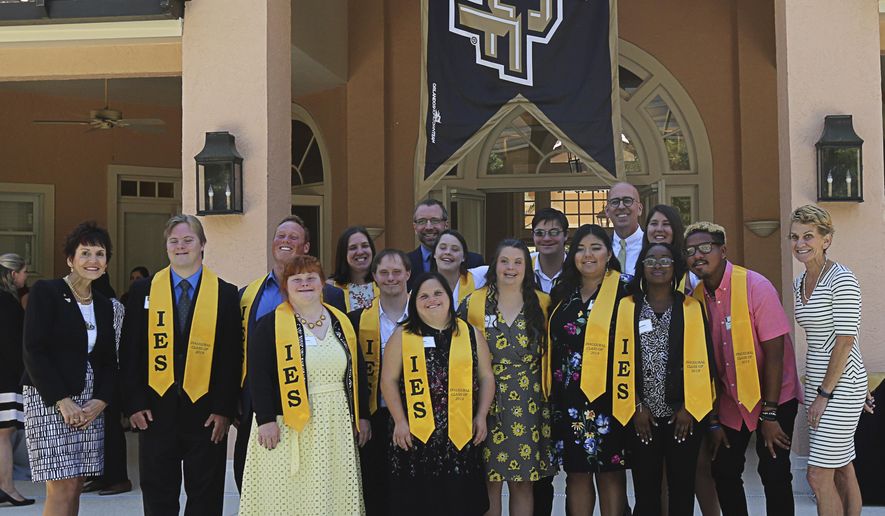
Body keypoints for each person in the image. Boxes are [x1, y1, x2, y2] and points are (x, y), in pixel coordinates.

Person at [120, 214, 241, 516]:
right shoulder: (143, 291)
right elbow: (130, 351)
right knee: (158, 494)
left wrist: (224, 409)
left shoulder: (224, 293)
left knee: (205, 495)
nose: (181, 246)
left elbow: (231, 357)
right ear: (166, 247)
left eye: (188, 240)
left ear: (202, 244)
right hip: (155, 411)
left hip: (206, 413)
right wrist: (133, 403)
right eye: (174, 241)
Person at [684, 221, 803, 516]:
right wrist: (712, 420)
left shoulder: (755, 286)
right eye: (690, 251)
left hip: (774, 395)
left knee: (774, 471)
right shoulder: (695, 298)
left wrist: (770, 413)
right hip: (730, 400)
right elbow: (703, 364)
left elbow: (776, 352)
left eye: (705, 248)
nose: (698, 255)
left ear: (723, 250)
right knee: (723, 470)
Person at [239, 254, 368, 514]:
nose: (305, 283)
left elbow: (358, 370)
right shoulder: (270, 325)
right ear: (286, 286)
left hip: (335, 422)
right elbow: (259, 375)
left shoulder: (341, 322)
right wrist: (265, 420)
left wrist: (362, 416)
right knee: (285, 495)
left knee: (329, 493)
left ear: (322, 284)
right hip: (285, 424)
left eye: (311, 278)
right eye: (297, 279)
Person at [233, 215, 345, 491]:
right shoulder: (247, 294)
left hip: (315, 401)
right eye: (280, 236)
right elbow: (236, 349)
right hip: (260, 399)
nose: (285, 241)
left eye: (293, 237)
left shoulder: (331, 296)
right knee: (253, 474)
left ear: (306, 247)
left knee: (310, 477)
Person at [21, 222, 118, 514]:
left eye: (99, 254)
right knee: (60, 484)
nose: (93, 260)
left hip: (90, 404)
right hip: (49, 397)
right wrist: (62, 401)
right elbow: (33, 351)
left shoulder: (105, 305)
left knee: (76, 483)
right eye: (85, 252)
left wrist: (101, 401)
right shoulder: (47, 292)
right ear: (70, 259)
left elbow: (109, 361)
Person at [380, 272, 495, 515]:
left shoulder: (469, 333)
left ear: (449, 297)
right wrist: (400, 421)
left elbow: (486, 377)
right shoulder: (403, 334)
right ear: (413, 300)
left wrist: (482, 415)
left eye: (437, 293)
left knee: (461, 504)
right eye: (424, 295)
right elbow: (388, 380)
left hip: (460, 435)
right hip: (415, 436)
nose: (432, 299)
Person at [789, 204, 874, 516]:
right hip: (821, 384)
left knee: (817, 474)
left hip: (837, 389)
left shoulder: (841, 279)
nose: (800, 243)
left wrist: (829, 393)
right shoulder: (800, 282)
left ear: (826, 239)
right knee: (841, 467)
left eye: (808, 236)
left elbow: (845, 340)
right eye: (795, 236)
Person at [460, 239, 555, 516]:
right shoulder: (474, 302)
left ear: (527, 267)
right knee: (489, 479)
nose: (510, 268)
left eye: (518, 262)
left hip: (529, 402)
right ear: (494, 265)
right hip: (484, 401)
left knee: (522, 482)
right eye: (504, 261)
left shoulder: (543, 303)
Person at [622, 242, 715, 515]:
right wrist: (636, 405)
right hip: (641, 417)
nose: (658, 265)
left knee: (682, 488)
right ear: (642, 267)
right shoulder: (628, 307)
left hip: (683, 417)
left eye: (665, 260)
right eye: (651, 260)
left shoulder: (691, 307)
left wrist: (690, 407)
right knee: (646, 488)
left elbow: (705, 361)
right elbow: (620, 362)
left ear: (676, 266)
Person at [548, 224, 629, 516]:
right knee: (577, 473)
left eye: (596, 247)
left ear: (609, 253)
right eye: (580, 248)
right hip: (569, 398)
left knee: (610, 472)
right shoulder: (563, 291)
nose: (588, 254)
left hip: (612, 396)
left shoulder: (627, 289)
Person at [644, 204, 719, 516]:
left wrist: (693, 403)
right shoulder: (633, 301)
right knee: (654, 478)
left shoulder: (690, 290)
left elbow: (702, 356)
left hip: (687, 402)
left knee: (692, 472)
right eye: (653, 223)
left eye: (666, 223)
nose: (659, 228)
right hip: (647, 405)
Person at [347, 248, 411, 516]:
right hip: (373, 416)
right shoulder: (357, 321)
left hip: (416, 415)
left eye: (397, 272)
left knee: (410, 490)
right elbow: (351, 375)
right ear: (374, 276)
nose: (391, 278)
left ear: (408, 274)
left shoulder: (425, 317)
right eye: (384, 272)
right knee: (375, 487)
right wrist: (360, 415)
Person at [82, 280, 132, 496]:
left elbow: (119, 340)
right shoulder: (85, 303)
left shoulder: (113, 305)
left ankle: (118, 478)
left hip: (112, 373)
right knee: (96, 428)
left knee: (111, 427)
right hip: (93, 373)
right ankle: (99, 476)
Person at [0, 253, 33, 507]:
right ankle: (7, 488)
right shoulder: (8, 304)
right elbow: (14, 345)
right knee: (4, 435)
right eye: (23, 272)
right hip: (6, 379)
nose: (25, 277)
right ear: (12, 274)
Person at [407, 199, 484, 290]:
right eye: (422, 221)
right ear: (415, 227)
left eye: (435, 220)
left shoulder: (474, 262)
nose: (429, 227)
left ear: (446, 225)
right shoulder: (405, 264)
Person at [431, 229, 489, 308]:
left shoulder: (479, 276)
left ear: (464, 257)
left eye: (455, 249)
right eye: (443, 247)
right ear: (434, 253)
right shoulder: (423, 287)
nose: (447, 252)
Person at [330, 226, 380, 311]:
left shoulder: (385, 284)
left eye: (365, 246)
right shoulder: (330, 289)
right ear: (343, 253)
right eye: (353, 248)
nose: (360, 252)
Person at [605, 182, 644, 279]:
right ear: (607, 211)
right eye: (615, 202)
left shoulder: (652, 246)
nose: (621, 206)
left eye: (627, 200)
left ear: (639, 209)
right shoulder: (601, 249)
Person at [531, 207, 569, 294]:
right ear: (533, 235)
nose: (547, 238)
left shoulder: (578, 268)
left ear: (566, 235)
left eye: (554, 232)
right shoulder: (523, 267)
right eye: (539, 233)